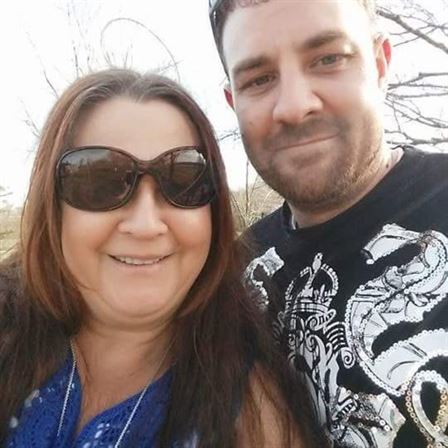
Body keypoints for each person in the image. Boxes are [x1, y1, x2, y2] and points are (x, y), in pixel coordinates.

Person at [0, 69, 324, 447]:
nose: (146, 225)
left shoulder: (255, 417)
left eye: (183, 179)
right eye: (101, 181)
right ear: (52, 207)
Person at [208, 0, 448, 447]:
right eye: (258, 79)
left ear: (380, 64)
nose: (294, 106)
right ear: (233, 101)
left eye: (328, 59)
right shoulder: (229, 282)